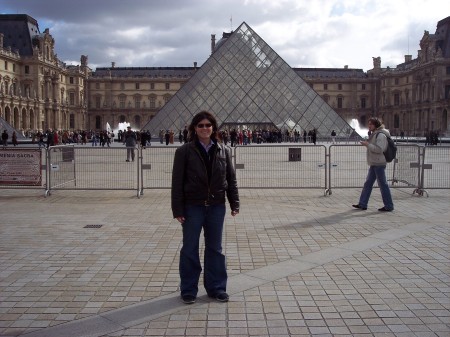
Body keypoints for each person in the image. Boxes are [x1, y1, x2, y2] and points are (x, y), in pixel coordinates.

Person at [171, 111, 240, 305]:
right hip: (193, 206)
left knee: (215, 249)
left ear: (213, 128)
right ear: (194, 128)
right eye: (200, 125)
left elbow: (231, 180)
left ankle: (217, 288)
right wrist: (178, 209)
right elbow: (177, 182)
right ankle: (188, 289)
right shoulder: (184, 151)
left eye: (208, 125)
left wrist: (234, 203)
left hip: (216, 206)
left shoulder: (223, 150)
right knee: (190, 248)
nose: (204, 128)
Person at [353, 117, 394, 212]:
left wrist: (367, 144)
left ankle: (389, 205)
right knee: (368, 184)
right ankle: (362, 204)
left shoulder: (381, 135)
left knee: (383, 185)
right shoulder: (375, 134)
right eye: (368, 124)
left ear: (376, 125)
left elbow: (380, 149)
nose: (369, 126)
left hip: (379, 163)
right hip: (374, 163)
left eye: (370, 124)